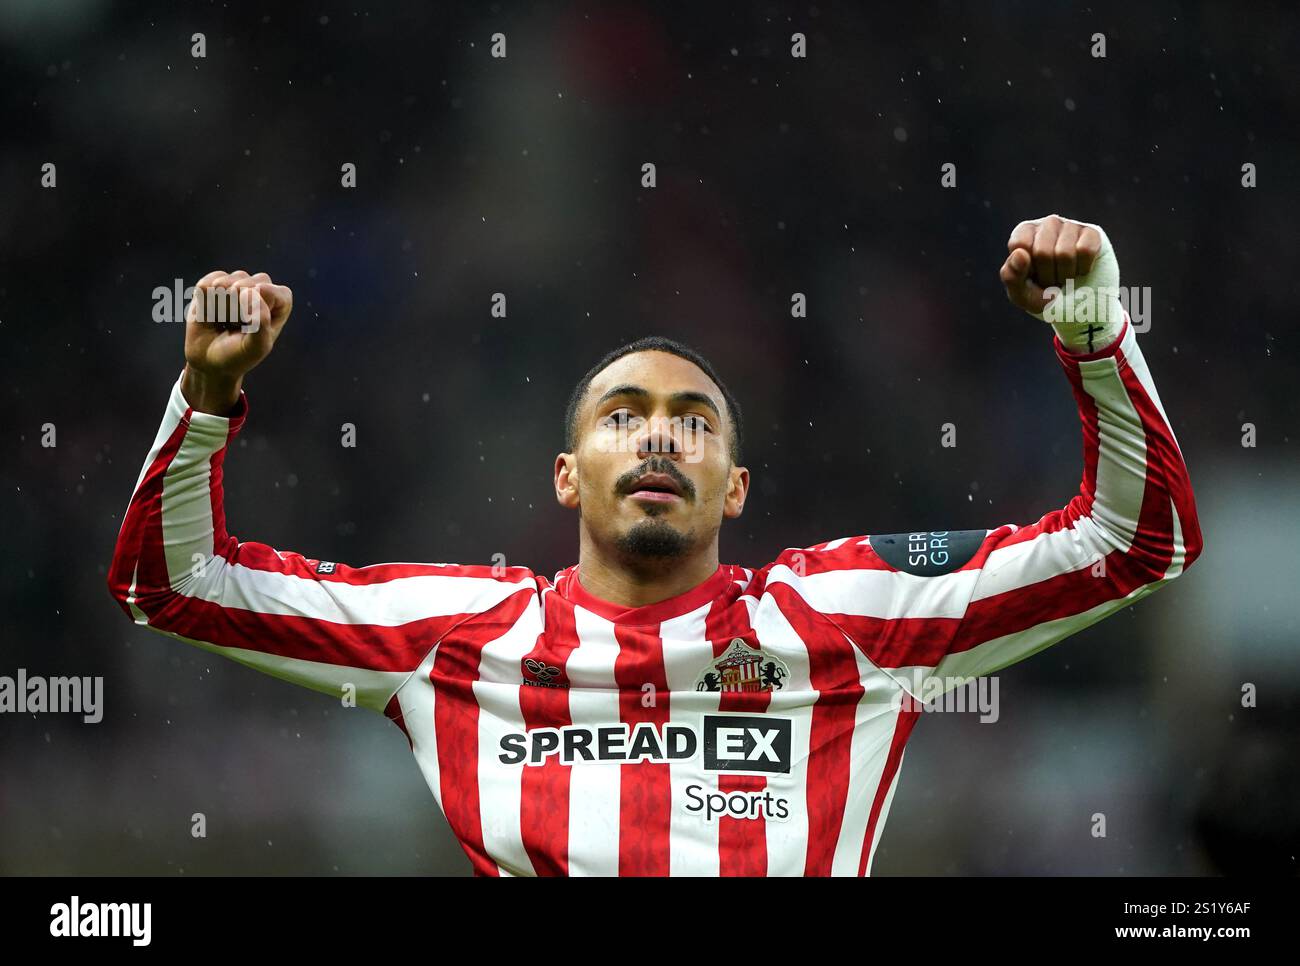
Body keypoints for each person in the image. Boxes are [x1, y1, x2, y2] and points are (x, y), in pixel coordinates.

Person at [108, 215, 1203, 876]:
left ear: (734, 489)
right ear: (565, 474)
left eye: (695, 420)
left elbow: (1135, 540)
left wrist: (1094, 336)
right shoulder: (450, 635)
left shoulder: (845, 615)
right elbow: (172, 583)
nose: (660, 434)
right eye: (621, 413)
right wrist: (206, 397)